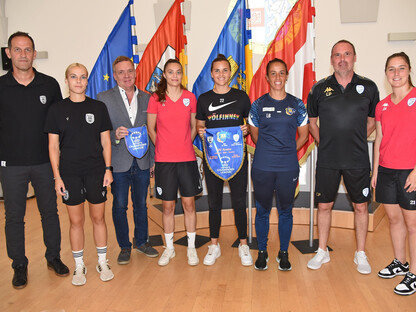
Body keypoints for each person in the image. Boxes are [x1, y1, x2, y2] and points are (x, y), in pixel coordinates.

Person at [0, 31, 69, 289]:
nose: (22, 54)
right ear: (8, 54)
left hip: (44, 163)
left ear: (34, 53)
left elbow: (60, 124)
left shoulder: (50, 85)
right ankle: (19, 264)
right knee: (14, 217)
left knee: (50, 212)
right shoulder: (0, 86)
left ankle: (53, 257)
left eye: (27, 49)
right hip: (11, 165)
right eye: (17, 50)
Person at [307, 40, 380, 274]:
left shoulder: (368, 87)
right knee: (324, 205)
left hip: (357, 159)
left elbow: (372, 121)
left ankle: (360, 253)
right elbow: (311, 122)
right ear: (331, 60)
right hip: (328, 159)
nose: (342, 59)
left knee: (360, 206)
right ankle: (322, 250)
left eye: (347, 54)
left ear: (354, 57)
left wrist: (356, 137)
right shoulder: (319, 88)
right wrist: (324, 141)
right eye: (337, 55)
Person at [45, 63, 114, 286]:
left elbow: (105, 141)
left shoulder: (99, 107)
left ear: (87, 81)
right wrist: (57, 177)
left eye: (83, 77)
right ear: (66, 80)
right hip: (70, 174)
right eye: (73, 77)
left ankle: (102, 261)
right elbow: (53, 147)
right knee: (76, 221)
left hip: (96, 172)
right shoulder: (56, 110)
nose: (78, 81)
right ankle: (79, 265)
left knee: (98, 218)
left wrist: (108, 169)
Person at [97, 56, 159, 265]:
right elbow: (99, 131)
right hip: (118, 162)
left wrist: (152, 161)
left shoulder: (149, 98)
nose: (126, 76)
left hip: (142, 162)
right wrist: (115, 134)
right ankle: (124, 246)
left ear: (135, 73)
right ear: (114, 76)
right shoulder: (103, 98)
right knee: (120, 206)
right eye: (121, 72)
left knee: (141, 205)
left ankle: (142, 242)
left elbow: (152, 132)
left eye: (129, 71)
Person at [249, 58, 309, 271]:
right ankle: (262, 252)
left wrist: (287, 151)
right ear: (267, 78)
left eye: (281, 73)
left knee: (285, 211)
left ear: (286, 76)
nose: (277, 77)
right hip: (263, 166)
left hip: (288, 167)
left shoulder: (297, 104)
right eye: (273, 73)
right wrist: (270, 150)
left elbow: (303, 135)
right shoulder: (257, 105)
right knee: (262, 210)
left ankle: (283, 252)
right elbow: (255, 134)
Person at [196, 54, 253, 266]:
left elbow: (250, 125)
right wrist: (201, 133)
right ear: (211, 74)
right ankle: (214, 245)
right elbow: (199, 127)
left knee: (239, 201)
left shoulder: (242, 97)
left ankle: (244, 244)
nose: (221, 74)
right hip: (213, 159)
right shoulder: (203, 99)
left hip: (237, 158)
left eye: (225, 70)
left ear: (231, 73)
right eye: (217, 71)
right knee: (214, 203)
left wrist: (247, 129)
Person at [147, 59, 202, 266]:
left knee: (189, 204)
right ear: (164, 75)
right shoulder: (155, 99)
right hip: (164, 161)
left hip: (187, 159)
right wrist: (162, 145)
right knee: (168, 207)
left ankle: (191, 248)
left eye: (178, 72)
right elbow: (151, 128)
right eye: (170, 72)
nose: (174, 76)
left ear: (181, 75)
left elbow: (194, 125)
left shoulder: (190, 98)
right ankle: (169, 248)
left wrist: (185, 142)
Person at [372, 52, 416, 295]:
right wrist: (376, 170)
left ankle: (415, 274)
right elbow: (379, 138)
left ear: (409, 70)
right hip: (387, 171)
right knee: (394, 219)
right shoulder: (382, 105)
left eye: (401, 68)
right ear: (386, 73)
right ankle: (401, 263)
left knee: (413, 225)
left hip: (410, 172)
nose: (396, 73)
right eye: (391, 69)